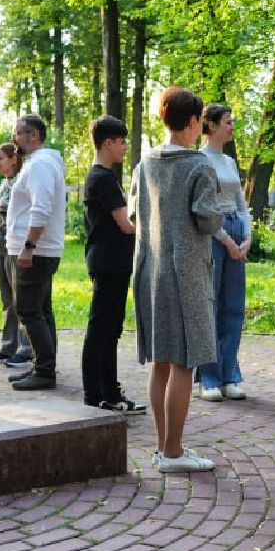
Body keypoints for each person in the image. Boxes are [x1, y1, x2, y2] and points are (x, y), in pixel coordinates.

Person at [131, 87, 224, 473]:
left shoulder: (144, 162)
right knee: (185, 363)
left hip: (150, 270)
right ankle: (173, 453)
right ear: (192, 122)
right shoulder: (199, 166)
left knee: (161, 361)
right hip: (186, 275)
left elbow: (136, 215)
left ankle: (162, 446)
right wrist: (222, 211)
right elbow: (207, 218)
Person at [82, 116, 142, 413]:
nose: (124, 147)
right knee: (101, 330)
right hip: (108, 262)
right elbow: (125, 225)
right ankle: (96, 395)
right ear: (108, 143)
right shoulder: (102, 178)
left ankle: (111, 391)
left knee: (111, 329)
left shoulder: (104, 177)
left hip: (113, 262)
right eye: (121, 142)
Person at [4, 114, 66, 390]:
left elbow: (41, 208)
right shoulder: (40, 164)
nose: (14, 138)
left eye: (18, 133)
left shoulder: (40, 165)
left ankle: (44, 370)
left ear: (33, 135)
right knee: (41, 308)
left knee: (27, 309)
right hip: (40, 250)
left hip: (36, 251)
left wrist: (28, 246)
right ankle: (44, 365)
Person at [196, 104, 252, 402]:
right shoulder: (200, 160)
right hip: (214, 235)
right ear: (212, 126)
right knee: (211, 305)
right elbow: (205, 208)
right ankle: (208, 377)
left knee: (234, 308)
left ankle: (230, 375)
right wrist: (226, 240)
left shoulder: (229, 161)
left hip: (236, 230)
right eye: (228, 122)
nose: (232, 127)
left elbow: (241, 203)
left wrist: (248, 236)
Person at [0, 142, 32, 368]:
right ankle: (7, 346)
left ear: (14, 159)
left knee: (19, 299)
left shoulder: (21, 181)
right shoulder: (3, 183)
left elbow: (6, 206)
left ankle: (26, 348)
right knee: (6, 300)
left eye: (0, 158)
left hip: (15, 247)